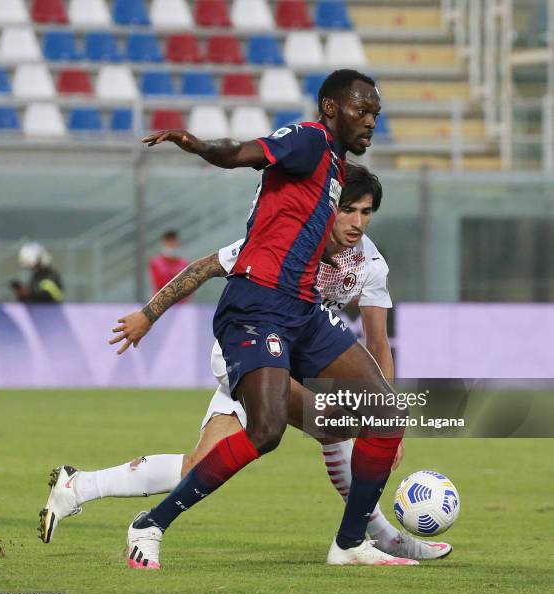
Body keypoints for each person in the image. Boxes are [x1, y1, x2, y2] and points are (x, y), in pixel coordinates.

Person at [39, 164, 452, 562]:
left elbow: (378, 344)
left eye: (366, 212)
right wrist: (148, 314)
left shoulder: (370, 264)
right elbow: (204, 266)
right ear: (329, 206)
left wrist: (387, 419)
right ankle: (373, 537)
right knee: (332, 425)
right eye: (348, 209)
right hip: (247, 348)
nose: (357, 222)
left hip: (298, 355)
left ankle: (78, 486)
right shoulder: (288, 241)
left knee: (199, 465)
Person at [108, 69, 409, 569]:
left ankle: (351, 542)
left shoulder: (335, 166)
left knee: (385, 414)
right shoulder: (310, 141)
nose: (371, 121)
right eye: (362, 110)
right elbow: (241, 153)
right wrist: (199, 146)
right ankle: (150, 524)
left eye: (376, 112)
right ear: (331, 109)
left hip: (301, 308)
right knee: (266, 430)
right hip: (256, 305)